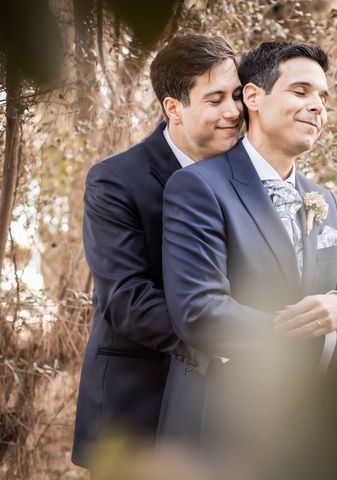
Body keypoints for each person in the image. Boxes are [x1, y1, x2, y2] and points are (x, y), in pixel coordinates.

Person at [158, 41, 337, 456]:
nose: (318, 107)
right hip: (219, 419)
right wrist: (297, 339)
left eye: (323, 98)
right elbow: (198, 311)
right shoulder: (199, 187)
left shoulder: (323, 201)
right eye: (301, 91)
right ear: (253, 97)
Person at [72, 34, 243, 468]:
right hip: (138, 399)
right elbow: (125, 298)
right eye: (216, 98)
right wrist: (230, 341)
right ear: (174, 108)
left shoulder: (250, 175)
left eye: (238, 95)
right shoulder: (116, 180)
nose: (234, 111)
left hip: (227, 410)